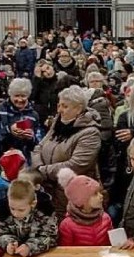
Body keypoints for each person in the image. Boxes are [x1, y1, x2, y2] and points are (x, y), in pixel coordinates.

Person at [31, 86, 102, 216]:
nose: (59, 110)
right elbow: (39, 147)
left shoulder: (90, 133)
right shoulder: (59, 122)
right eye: (59, 105)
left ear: (78, 109)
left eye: (65, 106)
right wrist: (38, 166)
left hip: (72, 197)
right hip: (49, 190)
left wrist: (43, 171)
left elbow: (77, 165)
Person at [0, 179, 58, 257]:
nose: (15, 213)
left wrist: (30, 247)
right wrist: (9, 243)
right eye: (12, 208)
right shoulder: (3, 212)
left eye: (21, 210)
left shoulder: (45, 212)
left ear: (33, 204)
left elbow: (50, 237)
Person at [57, 168, 112, 246]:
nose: (101, 196)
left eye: (100, 192)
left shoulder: (106, 218)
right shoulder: (67, 226)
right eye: (95, 194)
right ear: (81, 200)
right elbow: (66, 253)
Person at [0, 78, 42, 160]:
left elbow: (39, 141)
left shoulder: (34, 115)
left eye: (23, 96)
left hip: (25, 160)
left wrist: (31, 137)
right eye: (16, 96)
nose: (19, 100)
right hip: (2, 157)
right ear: (10, 95)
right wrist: (9, 130)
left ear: (28, 96)